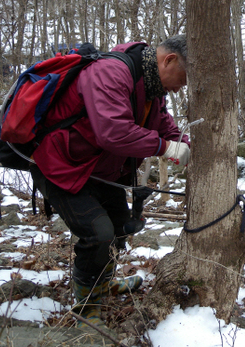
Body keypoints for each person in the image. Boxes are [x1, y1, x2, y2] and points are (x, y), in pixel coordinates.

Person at [29, 35, 190, 327]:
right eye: (183, 78)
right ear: (170, 60)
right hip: (61, 165)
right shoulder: (111, 72)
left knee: (117, 229)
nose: (181, 87)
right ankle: (87, 304)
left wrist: (181, 141)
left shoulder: (151, 85)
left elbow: (160, 121)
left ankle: (101, 286)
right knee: (99, 233)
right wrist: (164, 147)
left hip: (102, 169)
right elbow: (113, 131)